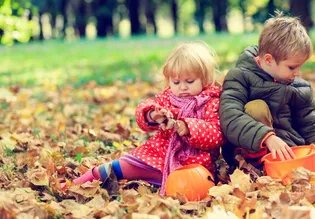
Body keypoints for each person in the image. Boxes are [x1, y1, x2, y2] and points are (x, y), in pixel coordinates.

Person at [69, 42, 225, 195]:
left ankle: (165, 182)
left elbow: (216, 133)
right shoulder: (167, 98)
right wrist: (152, 115)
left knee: (189, 187)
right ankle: (73, 186)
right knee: (116, 167)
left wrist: (187, 127)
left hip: (193, 165)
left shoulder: (211, 103)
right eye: (176, 82)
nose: (182, 87)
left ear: (204, 79)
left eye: (189, 81)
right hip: (156, 156)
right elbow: (144, 108)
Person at [219, 11, 315, 169]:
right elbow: (230, 117)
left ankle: (284, 166)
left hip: (287, 151)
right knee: (256, 107)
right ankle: (257, 167)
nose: (297, 73)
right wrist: (266, 137)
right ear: (268, 60)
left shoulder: (299, 87)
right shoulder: (239, 77)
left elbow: (310, 126)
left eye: (300, 66)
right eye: (292, 67)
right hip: (249, 153)